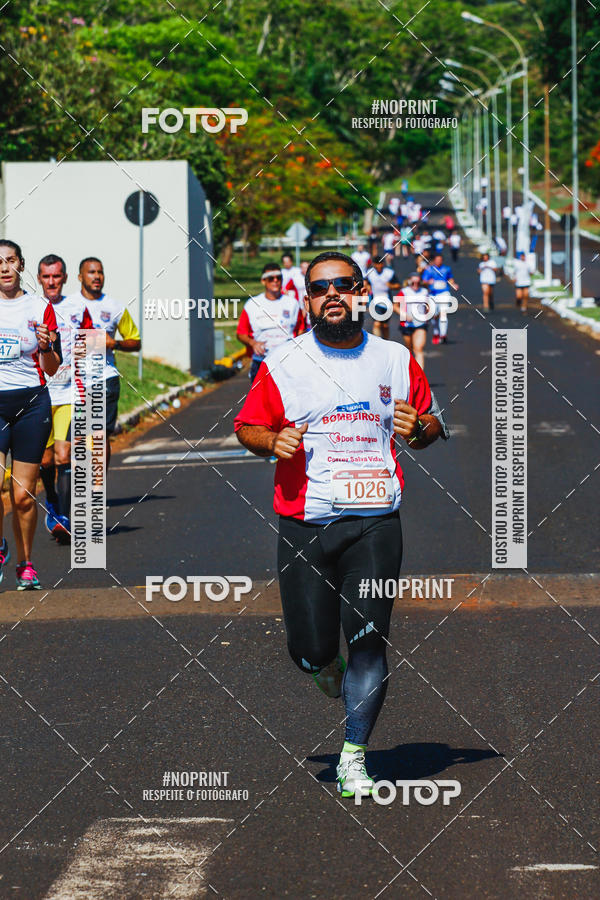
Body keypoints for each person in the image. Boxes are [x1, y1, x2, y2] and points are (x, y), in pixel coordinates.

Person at [234, 251, 448, 798]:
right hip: (305, 521)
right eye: (319, 288)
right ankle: (320, 662)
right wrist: (271, 442)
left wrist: (420, 427)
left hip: (376, 520)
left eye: (343, 285)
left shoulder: (394, 358)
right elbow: (247, 426)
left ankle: (356, 753)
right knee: (307, 649)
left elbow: (430, 425)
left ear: (360, 292)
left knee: (370, 639)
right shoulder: (285, 360)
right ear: (307, 300)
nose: (332, 294)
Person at [0, 240, 61, 589]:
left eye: (10, 261)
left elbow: (51, 368)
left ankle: (25, 563)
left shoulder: (39, 307)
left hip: (31, 403)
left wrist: (46, 346)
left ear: (21, 265)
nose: (5, 268)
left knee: (22, 495)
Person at [38, 254, 93, 543]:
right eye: (46, 277)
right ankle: (53, 503)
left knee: (64, 455)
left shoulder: (78, 307)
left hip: (71, 393)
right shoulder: (33, 308)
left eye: (56, 276)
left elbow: (90, 344)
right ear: (39, 279)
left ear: (65, 278)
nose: (51, 282)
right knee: (45, 460)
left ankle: (68, 517)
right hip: (40, 395)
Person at [70, 258, 141, 468]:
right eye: (91, 272)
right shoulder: (68, 304)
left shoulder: (115, 307)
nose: (97, 277)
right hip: (74, 382)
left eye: (100, 272)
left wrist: (115, 343)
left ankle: (97, 489)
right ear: (80, 277)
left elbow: (135, 342)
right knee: (78, 438)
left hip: (104, 378)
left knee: (99, 437)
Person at [237, 263, 305, 383]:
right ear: (263, 281)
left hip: (287, 363)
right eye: (271, 278)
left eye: (278, 277)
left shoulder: (292, 303)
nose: (275, 281)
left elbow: (301, 329)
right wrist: (253, 343)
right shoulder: (252, 304)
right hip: (262, 362)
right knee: (260, 401)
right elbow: (241, 333)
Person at [393, 273, 432, 370]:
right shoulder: (404, 292)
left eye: (418, 282)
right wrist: (404, 315)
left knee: (418, 349)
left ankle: (420, 377)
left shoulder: (424, 292)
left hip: (420, 324)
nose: (415, 284)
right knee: (409, 349)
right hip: (406, 324)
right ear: (409, 281)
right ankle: (410, 374)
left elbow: (429, 306)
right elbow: (395, 306)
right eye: (413, 282)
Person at [421, 253, 459, 345]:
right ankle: (436, 332)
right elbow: (424, 281)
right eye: (437, 260)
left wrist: (453, 284)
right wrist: (428, 282)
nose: (438, 261)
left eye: (440, 260)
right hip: (433, 294)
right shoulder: (429, 270)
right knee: (433, 315)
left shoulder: (446, 269)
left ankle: (443, 334)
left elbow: (450, 279)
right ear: (434, 260)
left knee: (443, 313)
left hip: (444, 293)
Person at [365, 258, 399, 340]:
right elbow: (365, 283)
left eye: (380, 264)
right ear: (374, 264)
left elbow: (398, 285)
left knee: (385, 325)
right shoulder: (370, 273)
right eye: (376, 264)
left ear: (383, 264)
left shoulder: (389, 273)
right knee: (377, 324)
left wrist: (391, 286)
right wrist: (368, 287)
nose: (378, 266)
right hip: (375, 301)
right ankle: (377, 343)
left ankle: (386, 341)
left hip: (387, 301)